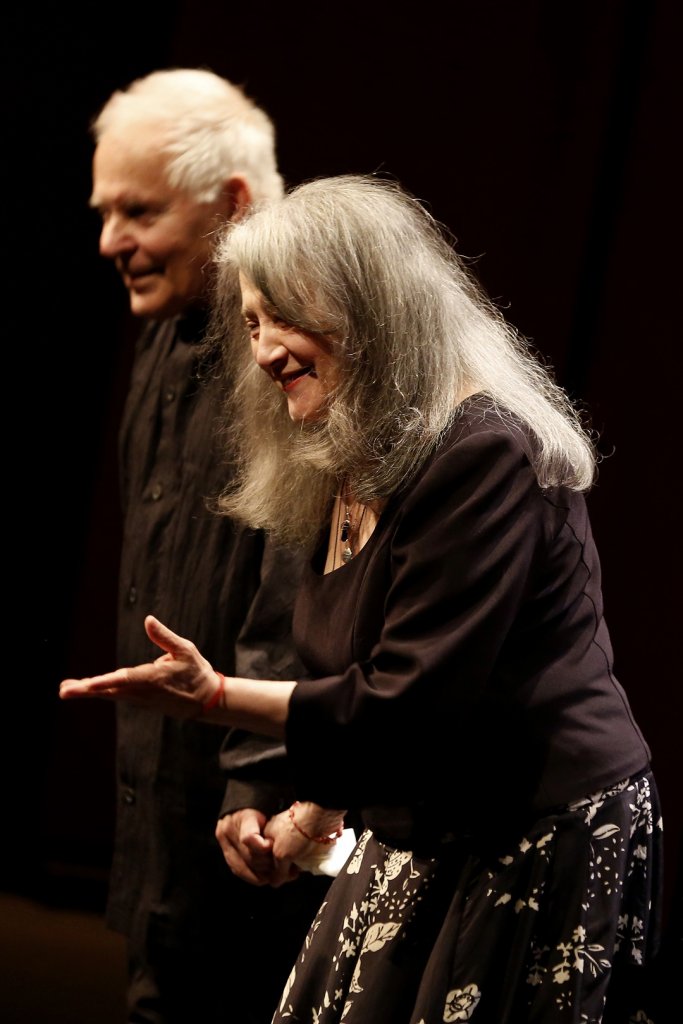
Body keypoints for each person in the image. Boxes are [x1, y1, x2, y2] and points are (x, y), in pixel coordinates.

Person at [63, 174, 663, 1023]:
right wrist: (314, 815)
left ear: (370, 305)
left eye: (287, 315)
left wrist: (217, 698)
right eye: (251, 324)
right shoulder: (353, 453)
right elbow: (373, 679)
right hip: (426, 818)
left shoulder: (480, 451)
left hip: (530, 832)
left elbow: (409, 703)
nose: (266, 350)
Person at [87, 69, 331, 1023]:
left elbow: (300, 590)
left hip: (249, 836)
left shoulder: (294, 351)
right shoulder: (164, 331)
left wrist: (256, 783)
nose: (110, 240)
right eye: (105, 211)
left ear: (231, 204)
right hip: (166, 827)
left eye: (136, 211)